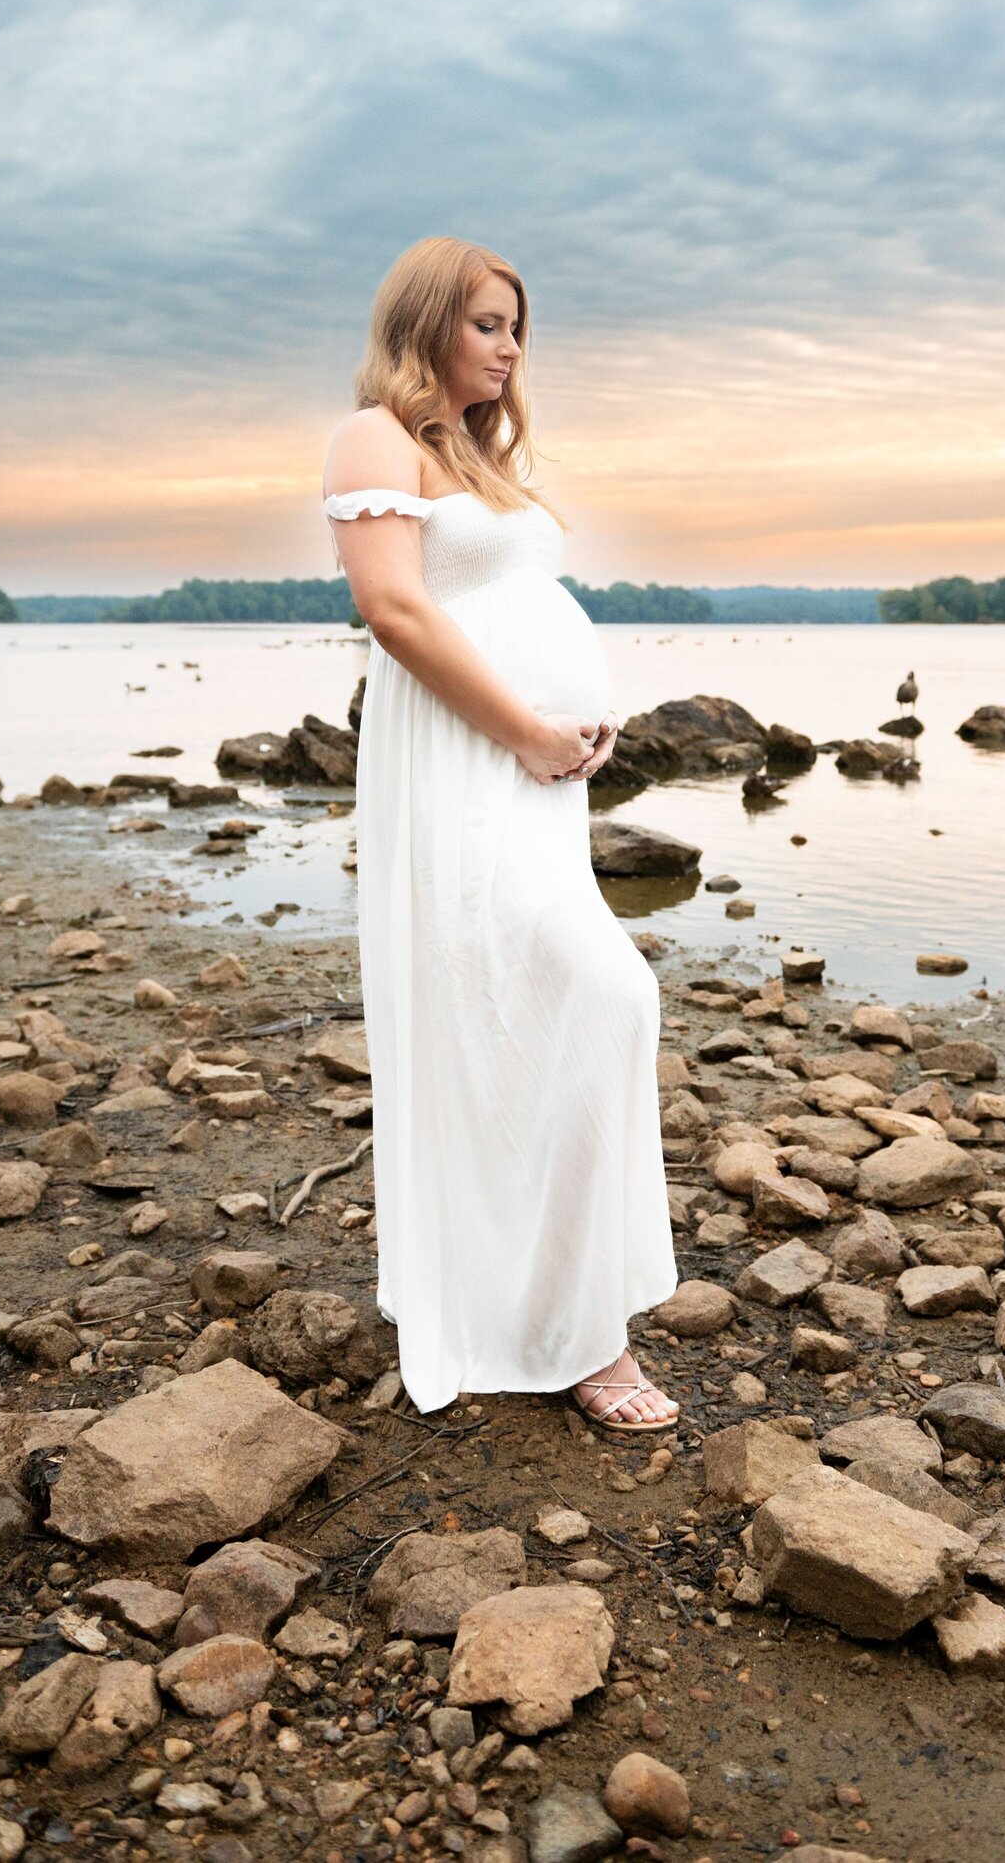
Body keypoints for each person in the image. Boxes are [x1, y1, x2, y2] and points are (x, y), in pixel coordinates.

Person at [320, 236, 680, 1430]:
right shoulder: (375, 435)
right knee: (588, 998)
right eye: (486, 322)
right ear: (425, 320)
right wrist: (526, 725)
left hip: (534, 776)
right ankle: (566, 1328)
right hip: (466, 767)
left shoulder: (474, 452)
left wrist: (571, 728)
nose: (510, 345)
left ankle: (570, 1312)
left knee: (552, 1011)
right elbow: (396, 609)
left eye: (517, 325)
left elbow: (514, 600)